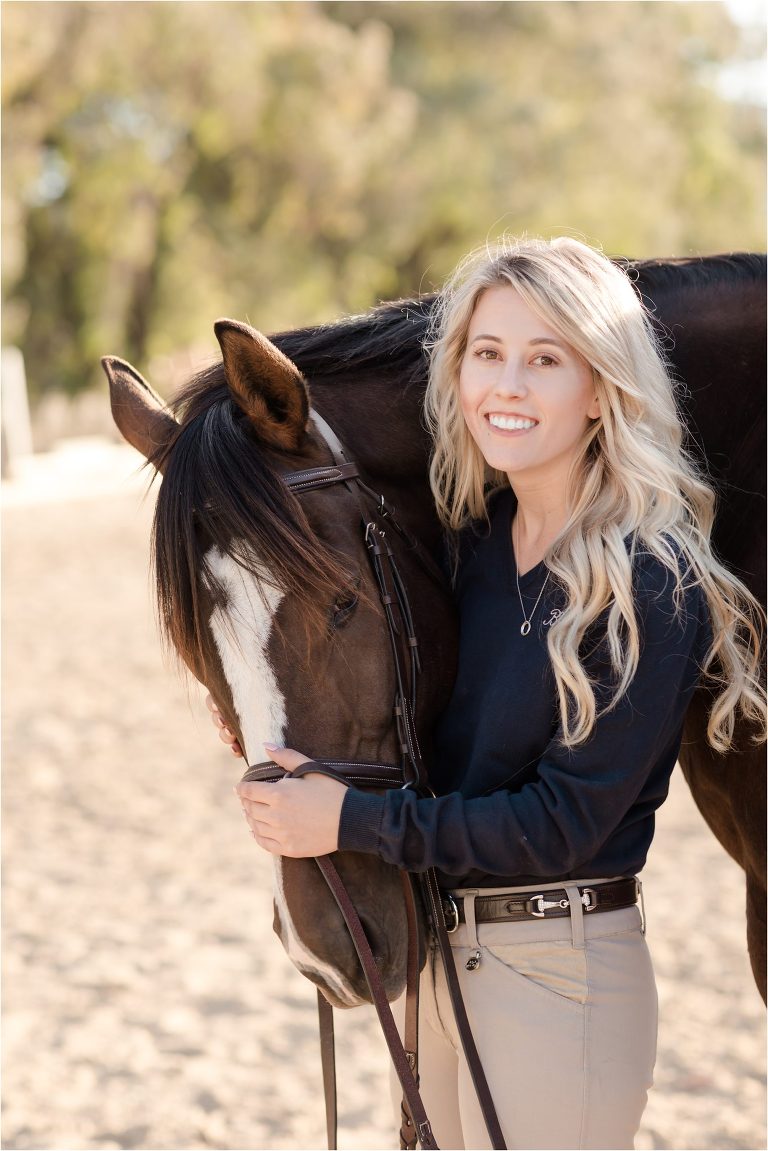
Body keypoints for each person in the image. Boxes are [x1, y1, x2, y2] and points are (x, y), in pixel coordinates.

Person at [210, 236, 765, 1150]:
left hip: (562, 975)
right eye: (487, 353)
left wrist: (348, 822)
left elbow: (561, 824)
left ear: (602, 389)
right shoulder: (472, 551)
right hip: (445, 961)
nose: (508, 385)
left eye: (546, 360)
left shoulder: (650, 579)